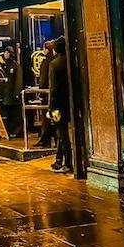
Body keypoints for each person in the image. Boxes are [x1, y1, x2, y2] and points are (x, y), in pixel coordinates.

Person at [48, 36, 72, 173]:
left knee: (61, 134)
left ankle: (67, 162)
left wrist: (51, 106)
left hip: (59, 104)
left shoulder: (55, 64)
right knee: (62, 134)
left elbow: (53, 88)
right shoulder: (71, 60)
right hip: (71, 102)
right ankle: (59, 159)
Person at [0, 47, 19, 137]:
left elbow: (17, 80)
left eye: (7, 52)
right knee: (5, 113)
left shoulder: (14, 65)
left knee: (12, 114)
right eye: (5, 52)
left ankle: (13, 131)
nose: (5, 54)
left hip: (11, 93)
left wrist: (16, 93)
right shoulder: (1, 65)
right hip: (3, 93)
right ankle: (6, 131)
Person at [37, 39, 55, 147]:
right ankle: (56, 141)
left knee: (46, 117)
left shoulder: (46, 61)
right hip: (54, 92)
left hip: (47, 93)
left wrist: (41, 92)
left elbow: (43, 79)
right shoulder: (55, 59)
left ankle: (45, 140)